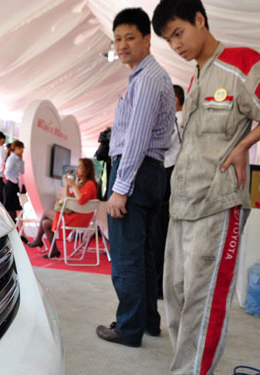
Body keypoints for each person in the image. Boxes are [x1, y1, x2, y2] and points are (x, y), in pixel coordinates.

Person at [151, 1, 260, 373]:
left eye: (179, 32)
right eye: (168, 40)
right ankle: (186, 367)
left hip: (217, 204)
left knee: (203, 302)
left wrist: (243, 144)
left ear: (200, 20)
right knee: (175, 298)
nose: (176, 45)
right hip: (181, 206)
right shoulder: (196, 79)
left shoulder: (239, 63)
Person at [95, 8, 175, 349]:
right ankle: (147, 322)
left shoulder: (147, 79)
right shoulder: (151, 77)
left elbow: (138, 139)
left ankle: (128, 329)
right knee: (142, 253)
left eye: (130, 37)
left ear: (147, 39)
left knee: (127, 255)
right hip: (150, 173)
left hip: (136, 172)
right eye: (117, 39)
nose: (123, 45)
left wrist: (120, 188)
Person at [27, 158, 98, 259]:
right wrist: (67, 185)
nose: (76, 169)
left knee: (46, 212)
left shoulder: (90, 184)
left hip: (80, 218)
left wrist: (74, 185)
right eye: (77, 166)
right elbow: (68, 198)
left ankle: (39, 240)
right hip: (76, 216)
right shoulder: (81, 184)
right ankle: (53, 250)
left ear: (87, 169)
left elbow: (81, 200)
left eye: (80, 167)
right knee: (45, 223)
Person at [152, 84, 185, 299]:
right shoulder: (187, 121)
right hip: (177, 177)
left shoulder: (175, 120)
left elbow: (161, 145)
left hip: (167, 174)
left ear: (173, 100)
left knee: (159, 233)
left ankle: (158, 287)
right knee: (167, 234)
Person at [3, 140, 24, 222]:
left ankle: (21, 232)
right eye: (21, 149)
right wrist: (13, 180)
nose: (22, 151)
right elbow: (7, 172)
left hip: (15, 185)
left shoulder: (18, 159)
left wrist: (22, 160)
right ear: (17, 148)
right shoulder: (12, 158)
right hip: (11, 184)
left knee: (17, 208)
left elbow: (22, 171)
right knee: (8, 208)